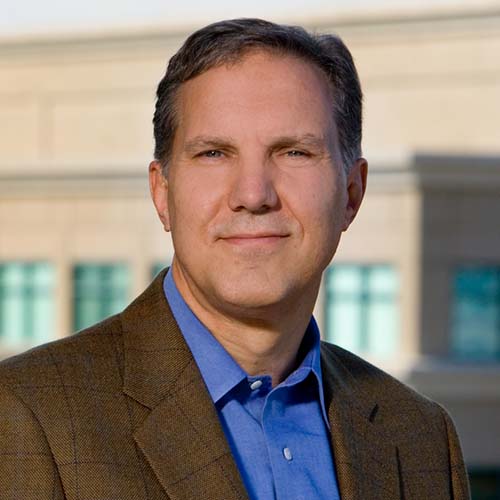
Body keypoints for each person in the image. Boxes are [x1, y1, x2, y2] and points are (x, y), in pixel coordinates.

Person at [0, 18, 470, 500]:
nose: (253, 194)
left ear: (351, 193)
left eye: (293, 152)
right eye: (213, 154)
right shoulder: (27, 418)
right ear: (162, 194)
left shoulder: (421, 438)